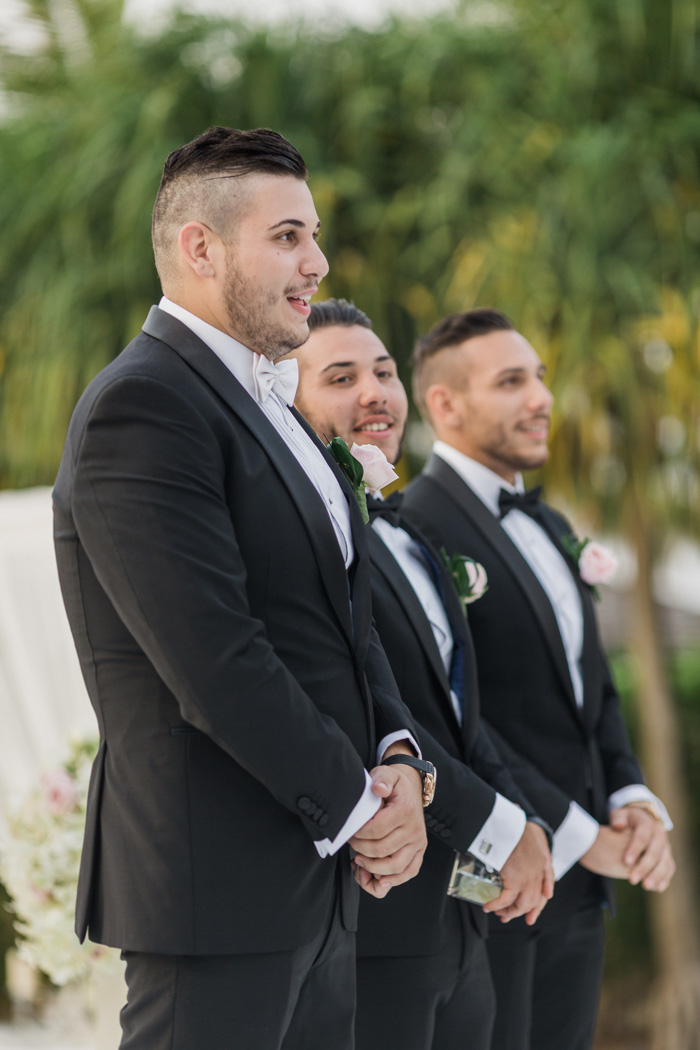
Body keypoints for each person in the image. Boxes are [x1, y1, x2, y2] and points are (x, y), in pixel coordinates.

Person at [52, 128, 428, 1050]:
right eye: (289, 236)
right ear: (200, 248)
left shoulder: (278, 413)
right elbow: (212, 656)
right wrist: (359, 808)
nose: (319, 262)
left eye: (314, 236)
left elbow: (345, 622)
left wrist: (402, 758)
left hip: (319, 883)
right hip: (217, 891)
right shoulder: (142, 406)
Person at [402, 307, 676, 1050]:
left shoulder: (553, 523)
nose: (542, 399)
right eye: (511, 381)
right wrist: (578, 832)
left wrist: (632, 797)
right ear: (446, 405)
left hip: (585, 889)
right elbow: (456, 713)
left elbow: (594, 687)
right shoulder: (414, 525)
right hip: (495, 886)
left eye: (542, 378)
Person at [290, 298, 553, 1050]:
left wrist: (522, 820)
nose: (375, 391)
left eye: (382, 371)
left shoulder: (407, 528)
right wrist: (502, 829)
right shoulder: (310, 541)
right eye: (341, 376)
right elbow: (377, 714)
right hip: (377, 923)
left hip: (462, 917)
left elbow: (461, 714)